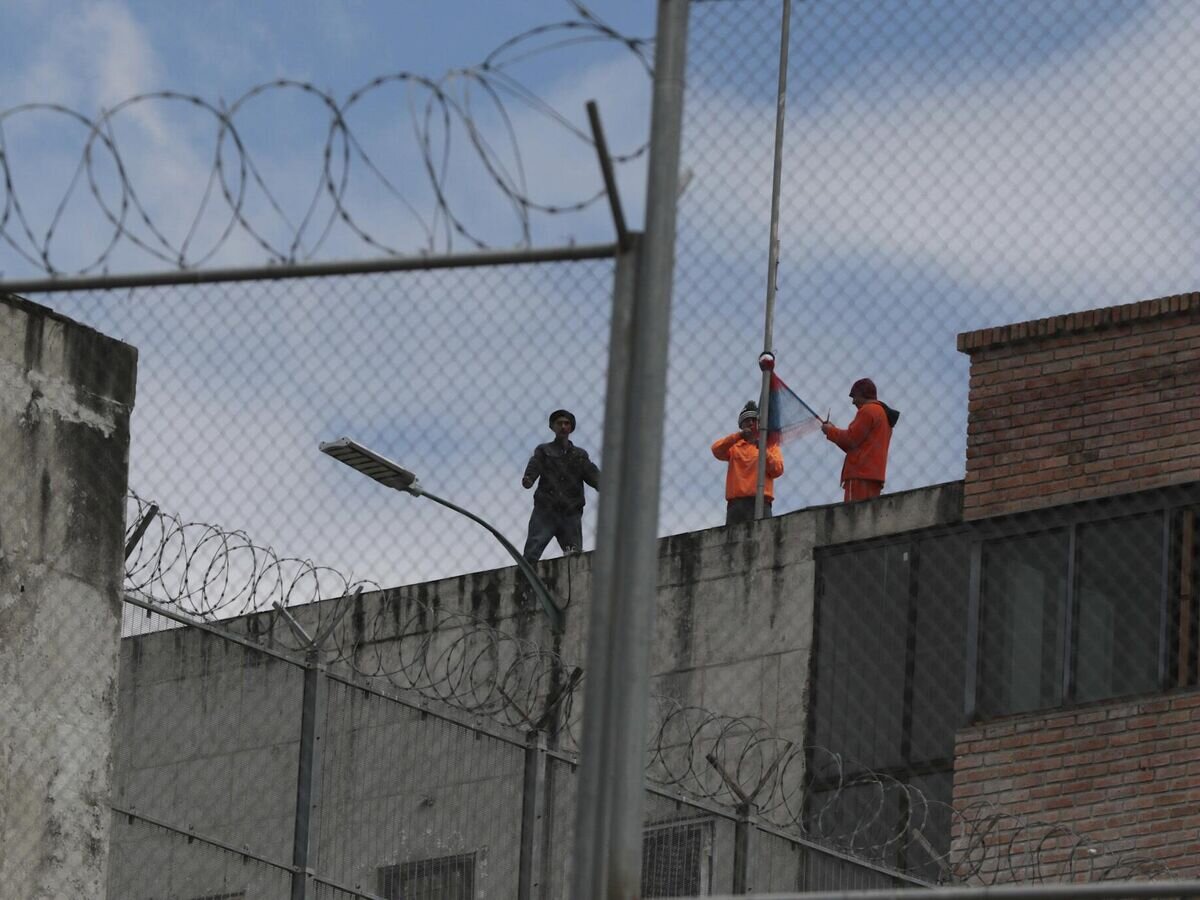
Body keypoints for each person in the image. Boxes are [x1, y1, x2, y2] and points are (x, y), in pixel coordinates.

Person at [521, 409, 600, 562]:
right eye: (559, 423)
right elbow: (535, 464)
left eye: (566, 423)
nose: (563, 426)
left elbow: (592, 474)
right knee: (532, 552)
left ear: (571, 428)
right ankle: (525, 583)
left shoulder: (579, 455)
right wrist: (529, 478)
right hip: (545, 510)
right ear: (552, 427)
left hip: (570, 511)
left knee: (575, 557)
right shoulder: (544, 450)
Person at [821, 378, 900, 502]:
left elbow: (850, 439)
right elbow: (855, 444)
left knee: (853, 516)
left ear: (864, 394)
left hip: (859, 474)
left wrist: (830, 431)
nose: (853, 402)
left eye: (854, 396)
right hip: (874, 476)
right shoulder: (883, 415)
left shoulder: (868, 410)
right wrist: (833, 431)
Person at [711, 401, 784, 525]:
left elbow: (777, 469)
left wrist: (763, 450)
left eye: (754, 419)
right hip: (736, 504)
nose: (750, 423)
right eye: (746, 420)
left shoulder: (770, 445)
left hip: (762, 502)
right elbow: (716, 449)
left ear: (759, 423)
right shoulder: (734, 447)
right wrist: (738, 436)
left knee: (764, 540)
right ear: (741, 425)